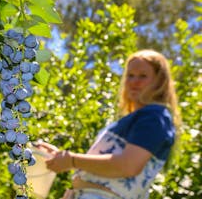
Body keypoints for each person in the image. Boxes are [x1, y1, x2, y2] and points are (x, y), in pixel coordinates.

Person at [36, 49, 180, 199]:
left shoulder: (154, 116)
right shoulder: (136, 118)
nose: (134, 81)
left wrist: (71, 160)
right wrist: (60, 157)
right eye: (130, 76)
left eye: (143, 76)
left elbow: (128, 165)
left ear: (159, 81)